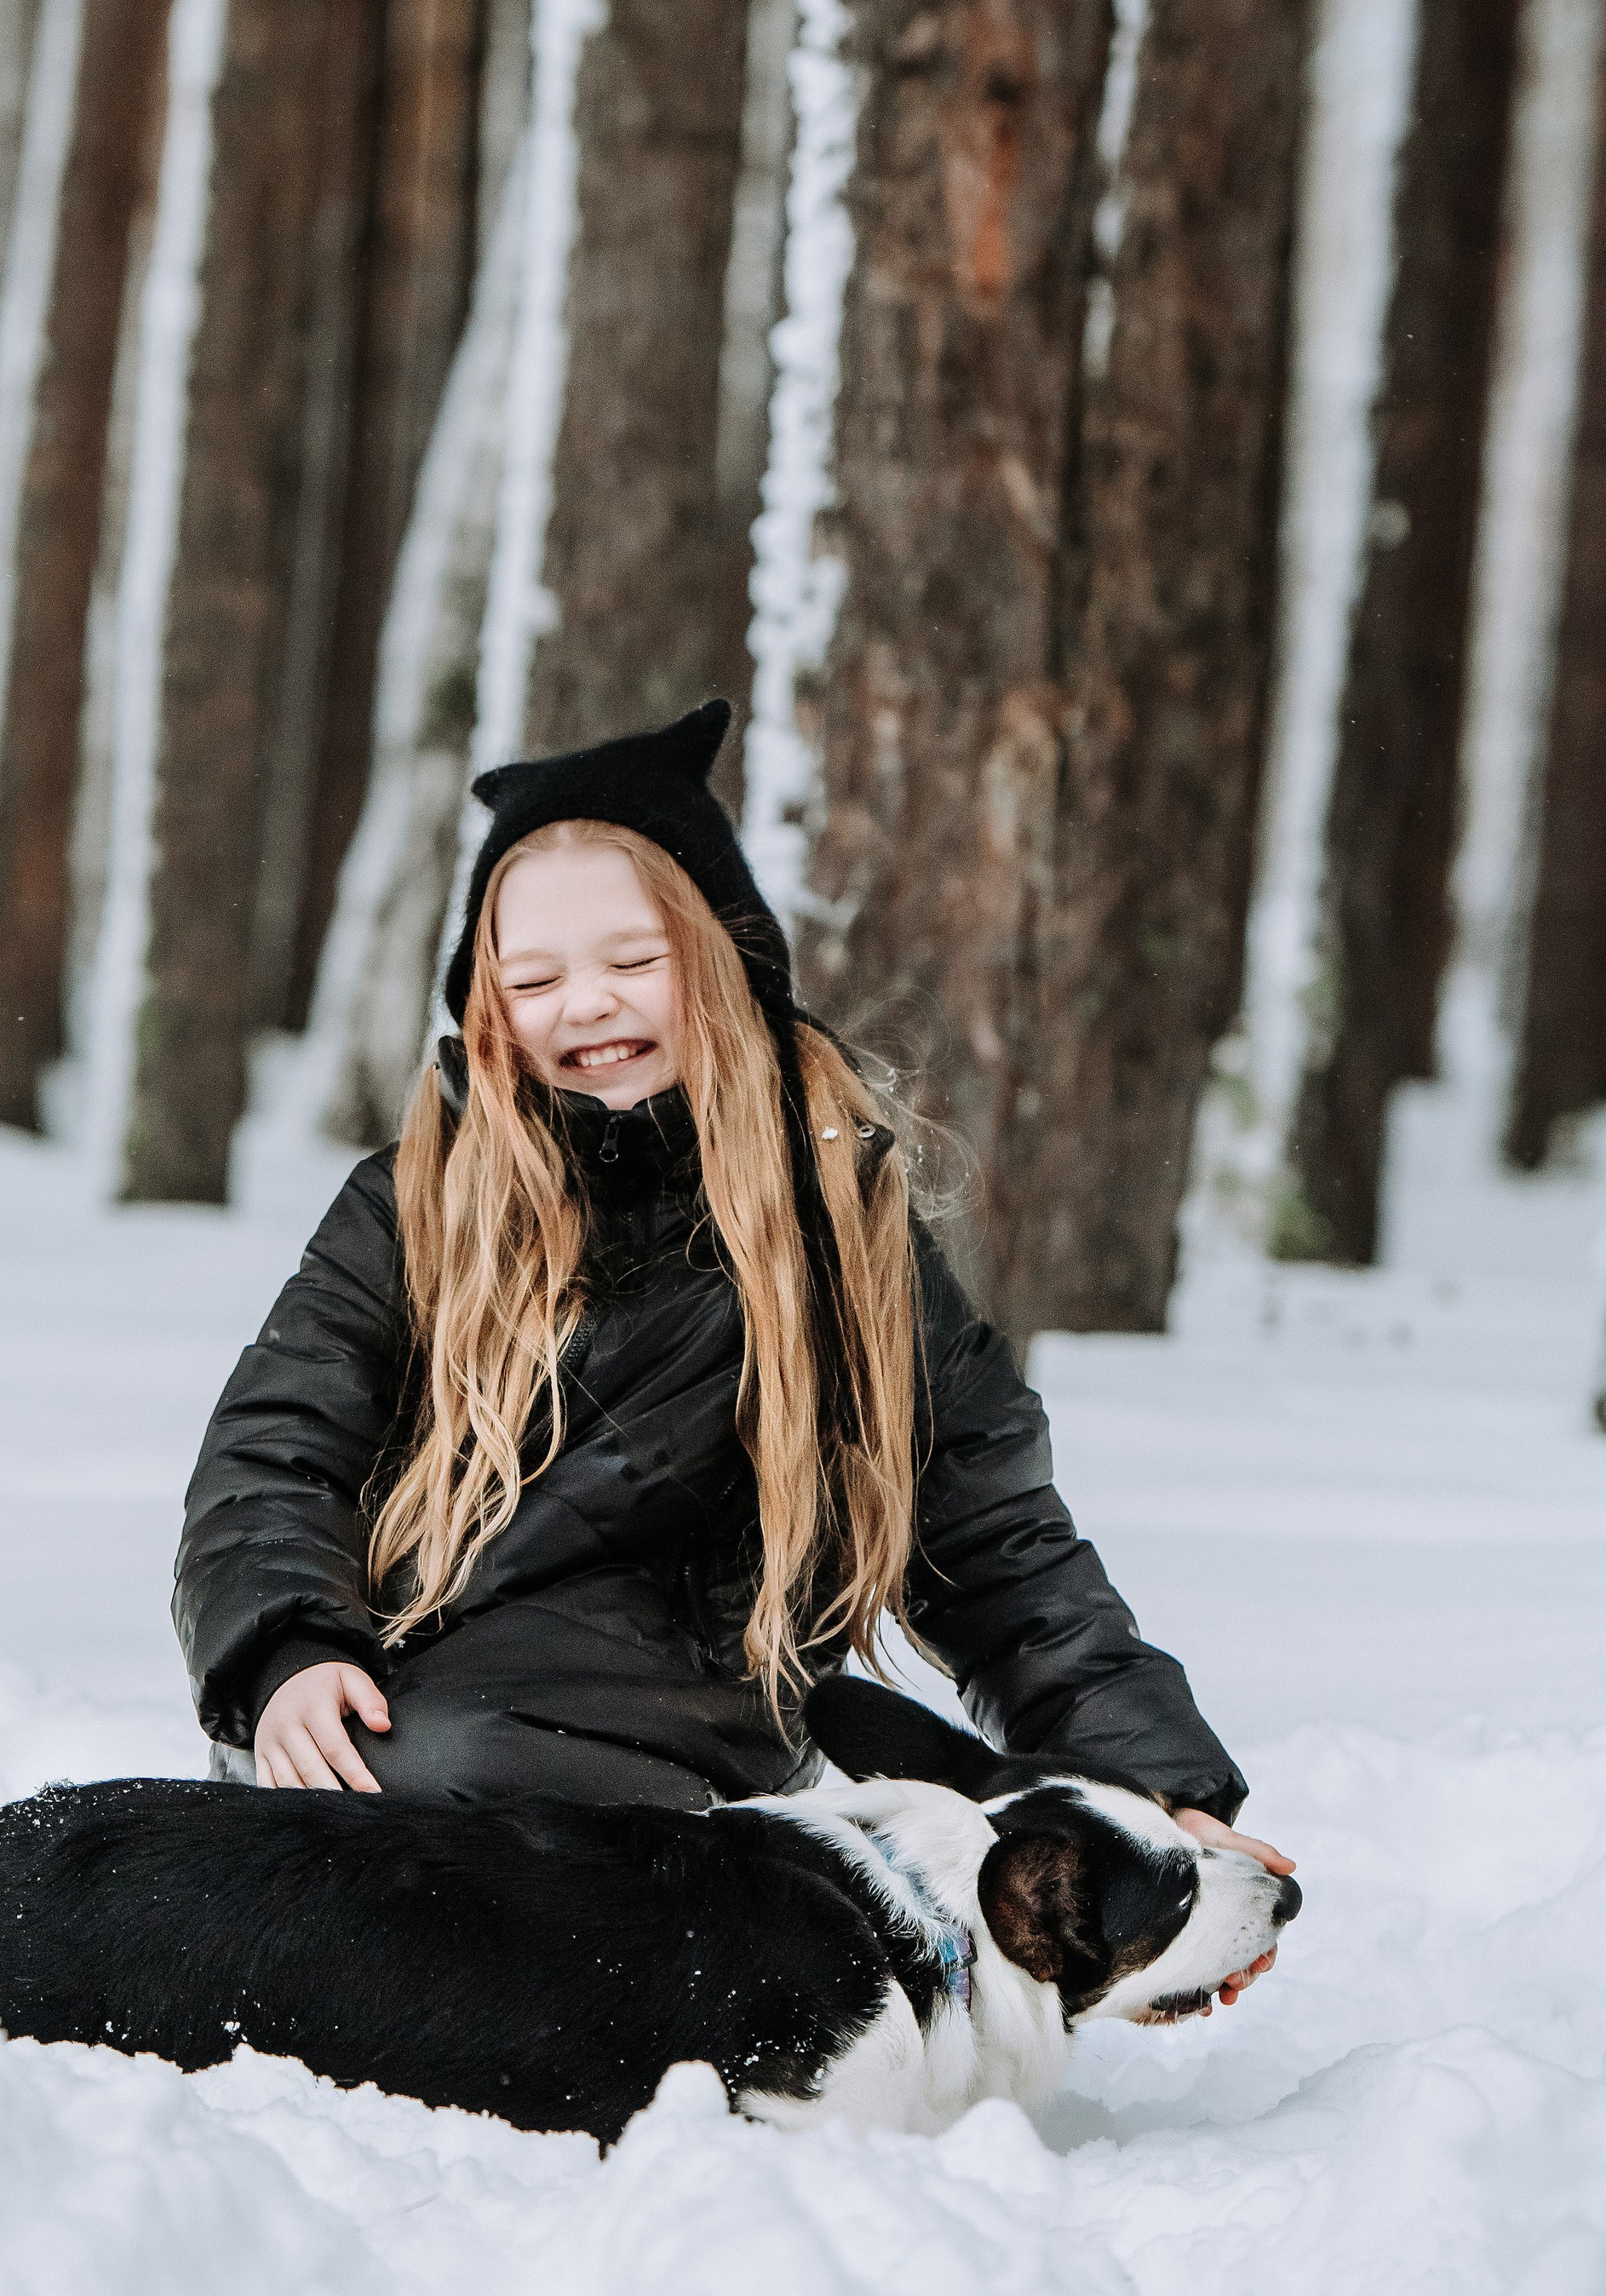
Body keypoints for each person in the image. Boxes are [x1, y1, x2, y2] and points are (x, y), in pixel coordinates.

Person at [174, 703, 1291, 2002]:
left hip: (687, 1741)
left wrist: (1154, 1793)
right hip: (403, 1701)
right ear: (489, 1007)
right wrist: (286, 1649)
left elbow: (999, 1544)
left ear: (721, 962)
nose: (584, 1004)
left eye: (632, 962)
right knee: (428, 1808)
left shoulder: (841, 1227)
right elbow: (272, 1449)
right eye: (533, 980)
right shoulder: (416, 1200)